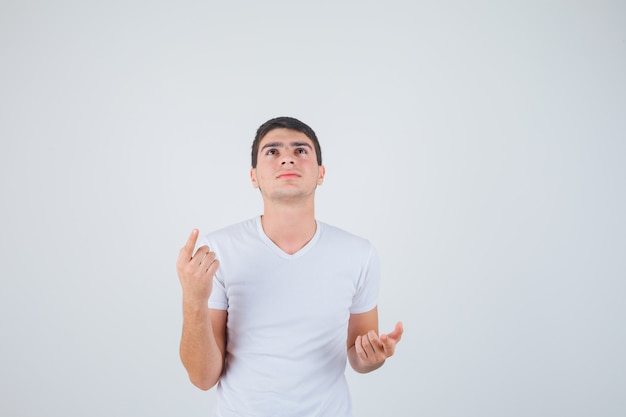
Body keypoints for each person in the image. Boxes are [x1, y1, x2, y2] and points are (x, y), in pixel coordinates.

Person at [176, 116, 403, 417]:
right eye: (272, 152)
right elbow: (203, 378)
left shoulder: (358, 254)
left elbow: (358, 357)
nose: (287, 159)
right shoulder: (219, 250)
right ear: (253, 176)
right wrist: (193, 300)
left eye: (301, 151)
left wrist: (373, 357)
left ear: (321, 173)